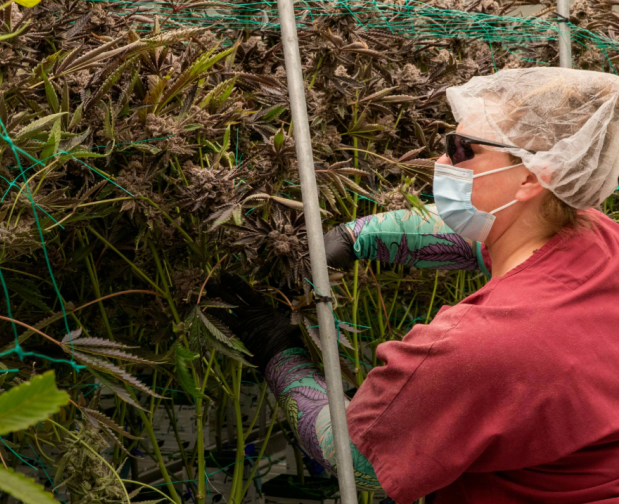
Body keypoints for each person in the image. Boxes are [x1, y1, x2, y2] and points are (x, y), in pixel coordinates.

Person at [210, 67, 619, 503]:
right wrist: (357, 236)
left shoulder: (475, 346)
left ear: (532, 178)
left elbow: (356, 459)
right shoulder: (602, 241)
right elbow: (492, 234)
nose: (441, 161)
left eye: (462, 149)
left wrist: (277, 350)